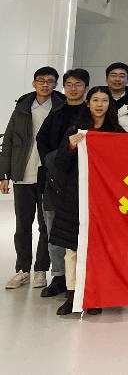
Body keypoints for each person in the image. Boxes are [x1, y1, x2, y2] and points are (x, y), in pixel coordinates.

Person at [49, 87, 125, 315]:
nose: (100, 105)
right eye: (95, 100)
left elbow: (125, 166)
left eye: (104, 100)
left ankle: (94, 295)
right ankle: (72, 295)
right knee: (72, 249)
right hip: (75, 198)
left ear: (110, 104)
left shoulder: (117, 133)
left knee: (99, 249)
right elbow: (60, 164)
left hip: (104, 200)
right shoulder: (76, 130)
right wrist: (71, 146)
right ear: (88, 103)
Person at [1, 66, 62, 291]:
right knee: (22, 226)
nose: (45, 85)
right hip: (23, 174)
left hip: (48, 176)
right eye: (41, 80)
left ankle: (41, 271)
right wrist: (4, 174)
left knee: (46, 226)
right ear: (34, 83)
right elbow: (8, 141)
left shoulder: (61, 107)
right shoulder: (22, 107)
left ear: (56, 84)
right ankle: (22, 270)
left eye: (50, 81)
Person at [35, 69, 90, 299]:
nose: (73, 89)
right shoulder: (56, 113)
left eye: (78, 84)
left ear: (86, 87)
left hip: (84, 181)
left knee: (81, 231)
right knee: (53, 228)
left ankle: (80, 279)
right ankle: (58, 276)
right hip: (54, 180)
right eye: (69, 84)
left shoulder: (90, 112)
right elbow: (42, 140)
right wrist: (53, 162)